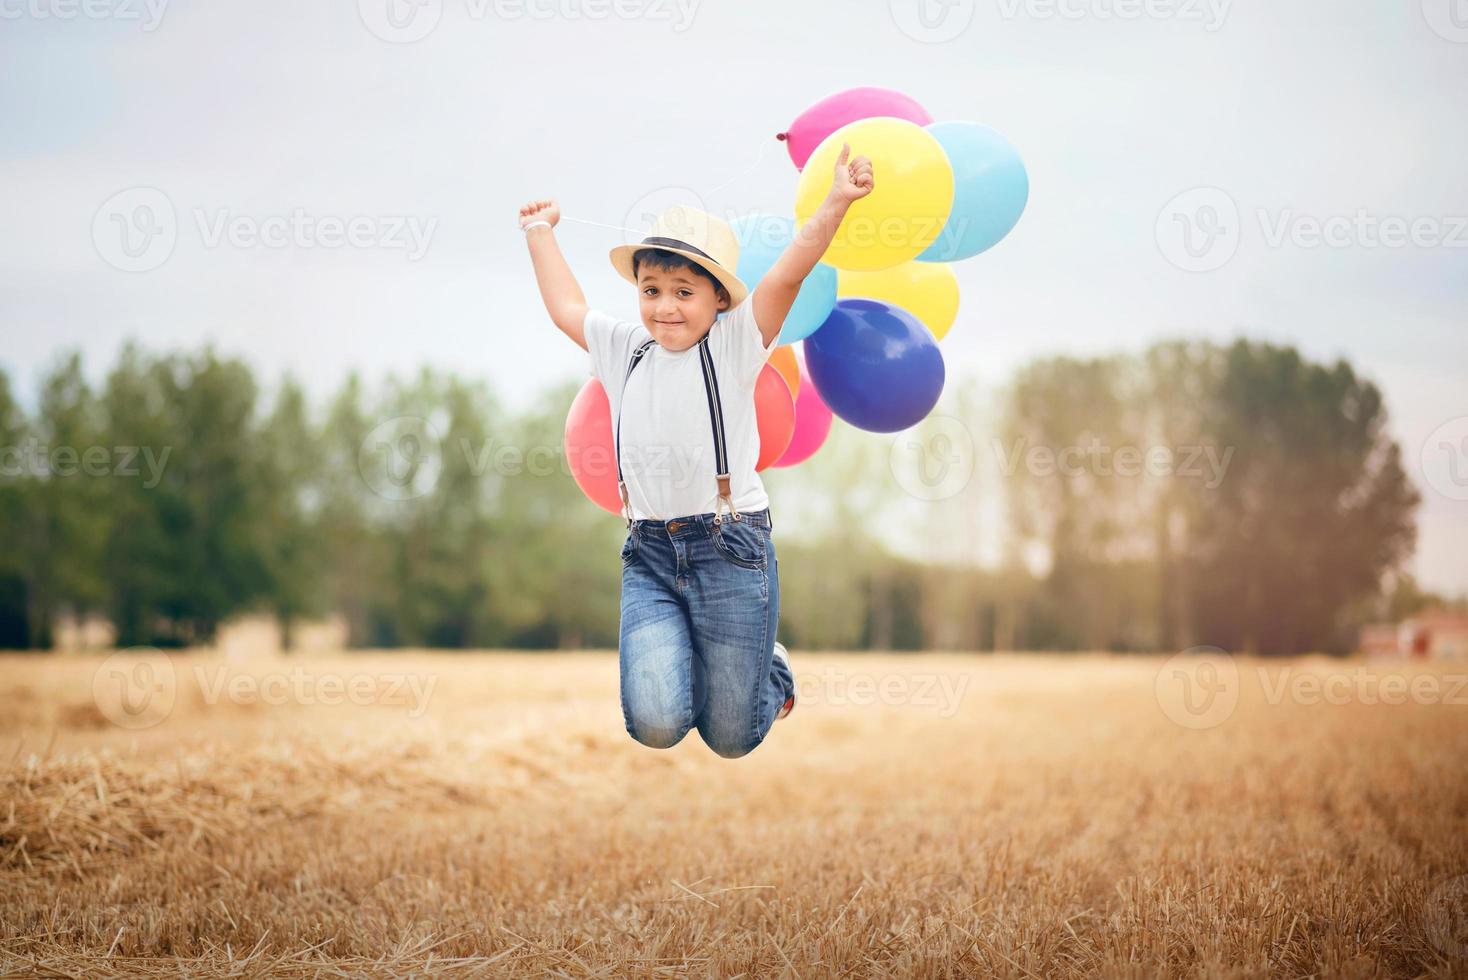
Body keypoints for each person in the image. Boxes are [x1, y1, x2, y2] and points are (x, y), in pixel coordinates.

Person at [518, 144, 874, 757]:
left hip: (731, 548)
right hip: (650, 554)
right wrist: (538, 232)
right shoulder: (623, 347)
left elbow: (789, 271)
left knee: (732, 738)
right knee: (656, 725)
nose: (664, 306)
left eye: (684, 292)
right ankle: (713, 659)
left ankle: (774, 671)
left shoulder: (737, 343)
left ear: (718, 301)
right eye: (651, 289)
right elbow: (566, 308)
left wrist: (836, 201)